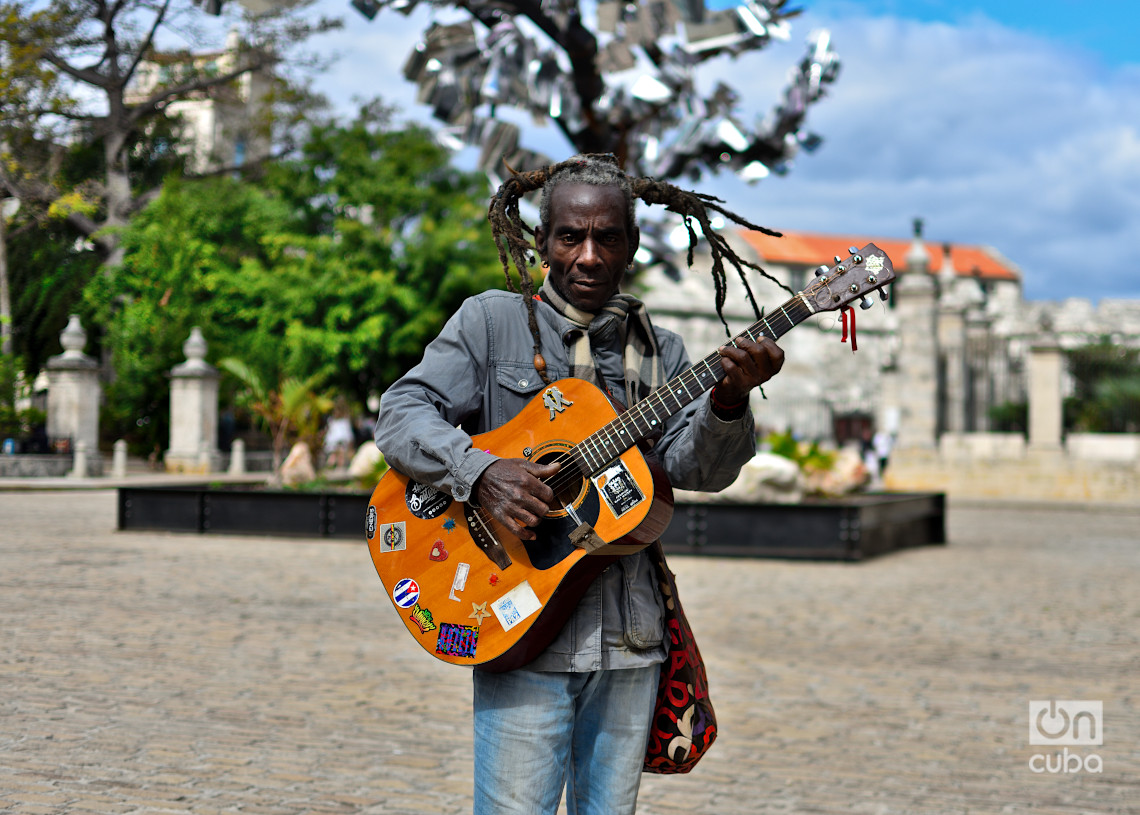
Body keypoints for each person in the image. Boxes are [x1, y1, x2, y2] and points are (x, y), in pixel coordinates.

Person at [373, 154, 785, 815]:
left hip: (630, 639)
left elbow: (695, 471)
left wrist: (729, 403)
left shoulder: (664, 353)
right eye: (571, 235)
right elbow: (400, 412)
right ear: (543, 243)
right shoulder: (491, 323)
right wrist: (480, 473)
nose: (589, 255)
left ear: (632, 245)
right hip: (517, 624)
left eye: (607, 237)